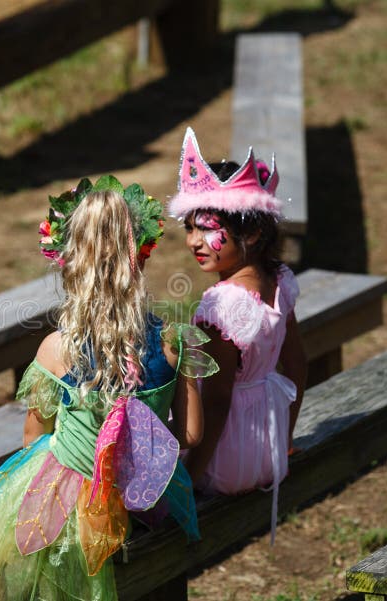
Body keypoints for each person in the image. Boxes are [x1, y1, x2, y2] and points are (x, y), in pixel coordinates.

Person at [0, 175, 217, 601]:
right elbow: (193, 434)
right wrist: (142, 449)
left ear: (72, 263)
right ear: (138, 258)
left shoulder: (57, 349)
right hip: (144, 502)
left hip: (72, 506)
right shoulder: (174, 341)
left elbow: (34, 437)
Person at [169, 127, 308, 542]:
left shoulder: (220, 307)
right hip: (267, 452)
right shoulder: (280, 280)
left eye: (207, 228)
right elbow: (297, 366)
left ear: (250, 233)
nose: (195, 241)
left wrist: (190, 482)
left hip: (225, 463)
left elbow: (217, 400)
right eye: (189, 228)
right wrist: (283, 441)